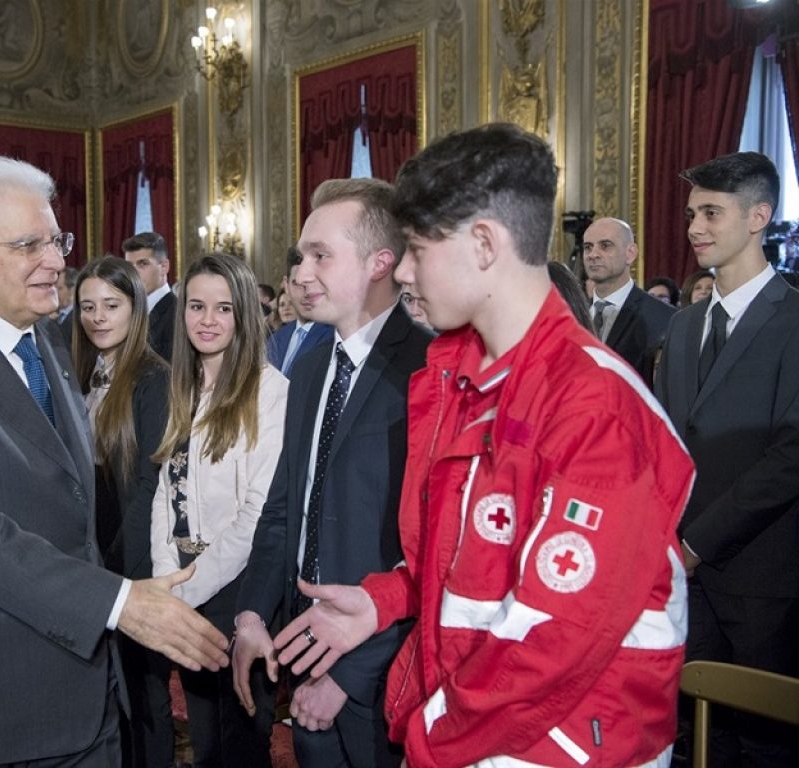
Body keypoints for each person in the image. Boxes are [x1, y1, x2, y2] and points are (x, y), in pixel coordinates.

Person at [275, 124, 695, 768]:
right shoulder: (459, 379)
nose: (404, 270)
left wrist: (428, 737)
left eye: (416, 248)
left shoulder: (596, 406)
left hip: (563, 744)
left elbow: (554, 640)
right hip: (477, 729)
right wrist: (385, 599)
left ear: (482, 244)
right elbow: (465, 561)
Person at [0, 155, 228, 767]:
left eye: (55, 239)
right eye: (29, 244)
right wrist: (116, 602)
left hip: (79, 684)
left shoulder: (49, 339)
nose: (58, 261)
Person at [232, 178, 432, 768]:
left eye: (321, 255)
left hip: (382, 666)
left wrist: (348, 674)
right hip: (303, 648)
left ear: (380, 262)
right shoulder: (314, 363)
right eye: (299, 256)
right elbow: (286, 505)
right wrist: (251, 612)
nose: (300, 272)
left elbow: (432, 549)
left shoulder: (425, 367)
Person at [655, 152, 799, 766]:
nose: (694, 228)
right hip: (681, 581)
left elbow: (791, 456)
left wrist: (698, 542)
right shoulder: (683, 327)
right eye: (691, 214)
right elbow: (662, 439)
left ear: (759, 217)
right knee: (691, 743)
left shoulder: (794, 318)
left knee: (762, 749)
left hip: (764, 583)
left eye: (711, 212)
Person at [151, 252, 289, 768]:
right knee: (206, 741)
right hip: (184, 586)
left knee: (243, 745)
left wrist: (187, 590)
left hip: (239, 588)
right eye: (196, 306)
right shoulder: (181, 385)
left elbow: (258, 513)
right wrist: (167, 579)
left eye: (224, 309)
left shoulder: (270, 392)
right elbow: (167, 492)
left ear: (245, 316)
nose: (207, 321)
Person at [72, 255, 173, 768]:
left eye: (111, 305)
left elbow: (149, 487)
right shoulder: (83, 373)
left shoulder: (153, 378)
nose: (98, 317)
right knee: (108, 693)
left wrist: (119, 570)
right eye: (87, 306)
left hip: (133, 558)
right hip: (91, 555)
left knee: (143, 696)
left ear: (136, 309)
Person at [583, 217, 675, 385]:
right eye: (588, 247)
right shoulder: (573, 314)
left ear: (630, 253)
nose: (593, 255)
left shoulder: (665, 318)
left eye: (605, 246)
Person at [266, 247, 333, 376]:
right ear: (286, 285)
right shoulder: (276, 339)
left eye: (313, 283)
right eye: (297, 283)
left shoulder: (335, 335)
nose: (307, 292)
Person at [123, 231, 175, 361]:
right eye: (129, 266)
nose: (134, 272)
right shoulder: (127, 311)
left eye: (143, 264)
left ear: (164, 267)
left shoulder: (177, 314)